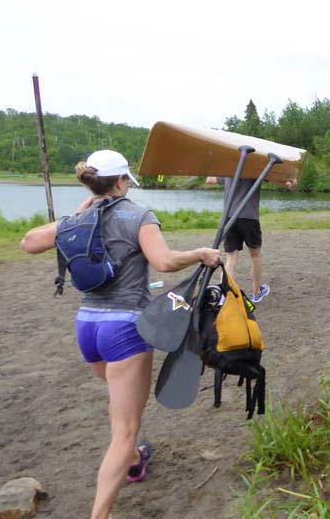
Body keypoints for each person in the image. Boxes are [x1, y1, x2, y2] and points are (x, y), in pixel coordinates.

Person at [20, 150, 221, 519]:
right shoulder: (139, 215)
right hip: (126, 329)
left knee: (119, 401)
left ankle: (132, 460)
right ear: (121, 180)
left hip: (87, 327)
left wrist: (75, 216)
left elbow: (29, 242)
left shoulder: (78, 218)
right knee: (126, 430)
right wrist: (199, 254)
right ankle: (100, 513)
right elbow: (164, 261)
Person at [205, 173, 297, 303]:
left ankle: (224, 297)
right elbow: (280, 180)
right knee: (255, 256)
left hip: (229, 217)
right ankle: (257, 292)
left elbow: (209, 180)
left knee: (230, 259)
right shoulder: (255, 170)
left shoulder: (229, 170)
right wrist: (290, 181)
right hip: (249, 217)